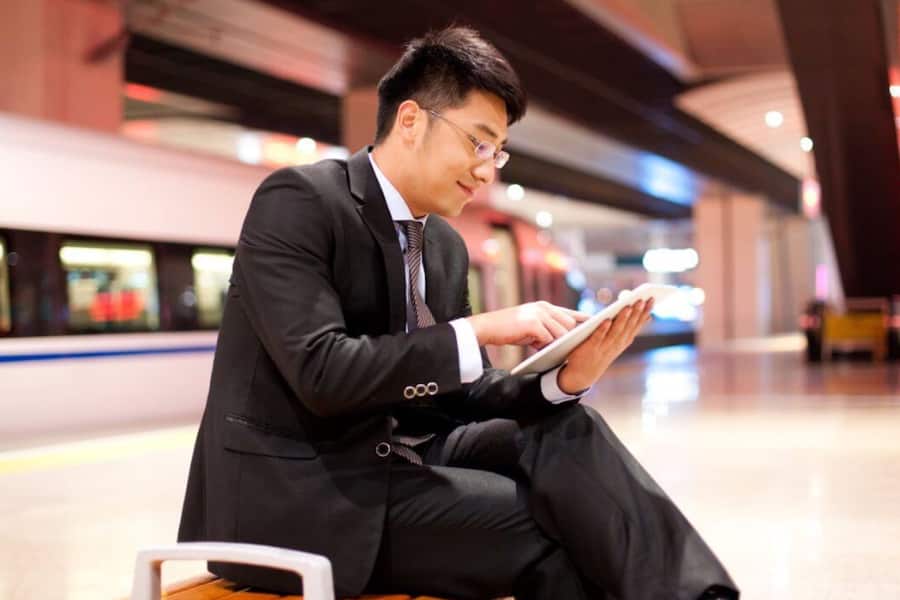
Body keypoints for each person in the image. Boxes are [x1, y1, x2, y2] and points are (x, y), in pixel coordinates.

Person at [178, 26, 739, 600]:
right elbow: (324, 374)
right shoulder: (300, 202)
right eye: (478, 143)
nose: (488, 168)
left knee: (570, 427)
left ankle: (704, 596)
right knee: (555, 531)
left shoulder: (442, 245)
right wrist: (476, 330)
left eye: (498, 151)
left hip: (400, 462)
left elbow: (452, 395)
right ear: (412, 121)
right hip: (300, 497)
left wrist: (565, 379)